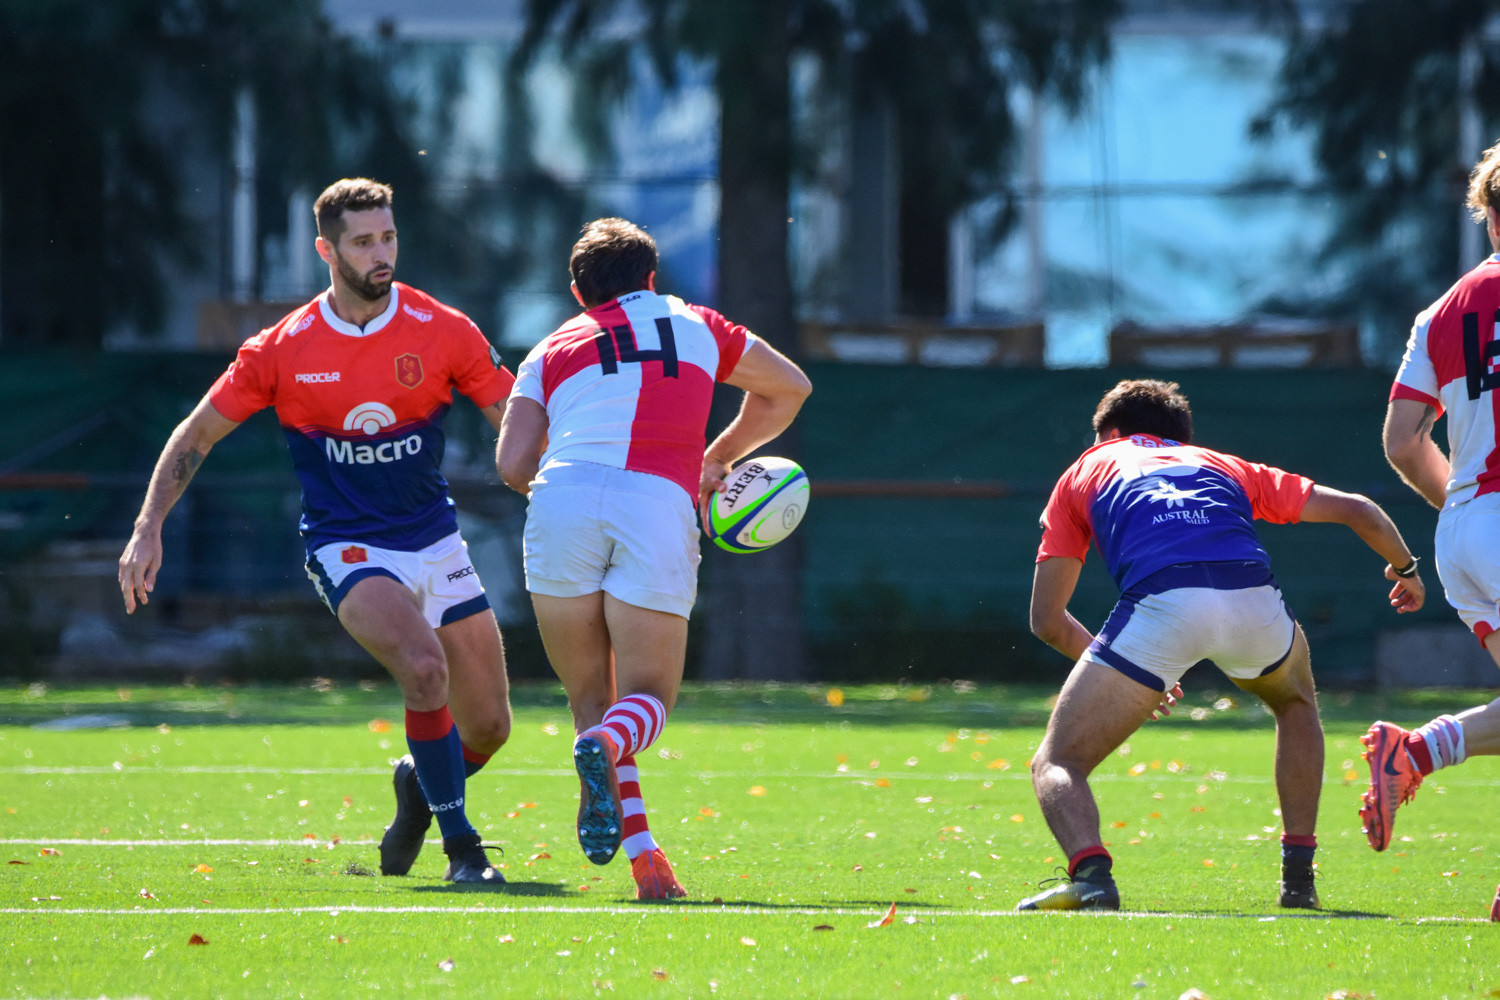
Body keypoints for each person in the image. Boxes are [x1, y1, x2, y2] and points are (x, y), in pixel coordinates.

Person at [118, 178, 514, 885]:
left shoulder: (446, 330)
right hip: (347, 544)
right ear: (325, 250)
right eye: (363, 242)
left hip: (436, 539)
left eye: (388, 236)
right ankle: (464, 852)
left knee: (488, 727)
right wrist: (149, 527)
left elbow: (514, 426)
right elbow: (197, 435)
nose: (381, 253)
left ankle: (419, 786)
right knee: (424, 671)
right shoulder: (282, 348)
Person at [1020, 379, 1425, 912]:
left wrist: (1128, 670)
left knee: (1056, 761)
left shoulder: (1085, 469)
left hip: (1163, 604)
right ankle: (1299, 881)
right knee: (1295, 701)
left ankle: (1093, 878)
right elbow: (1360, 511)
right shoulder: (1223, 464)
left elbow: (1048, 621)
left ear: (1111, 433)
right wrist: (1407, 571)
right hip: (1252, 600)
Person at [496, 217, 811, 899]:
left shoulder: (550, 346)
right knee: (645, 699)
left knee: (592, 699)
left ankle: (646, 862)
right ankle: (609, 759)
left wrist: (572, 483)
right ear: (650, 279)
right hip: (655, 504)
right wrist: (719, 455)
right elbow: (790, 387)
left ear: (580, 294)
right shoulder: (695, 322)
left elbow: (513, 461)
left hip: (562, 500)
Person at [1365, 137, 1500, 923]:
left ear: (1487, 216)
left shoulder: (1443, 310)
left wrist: (1459, 505)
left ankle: (1415, 752)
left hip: (1464, 534)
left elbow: (1401, 440)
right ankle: (1417, 750)